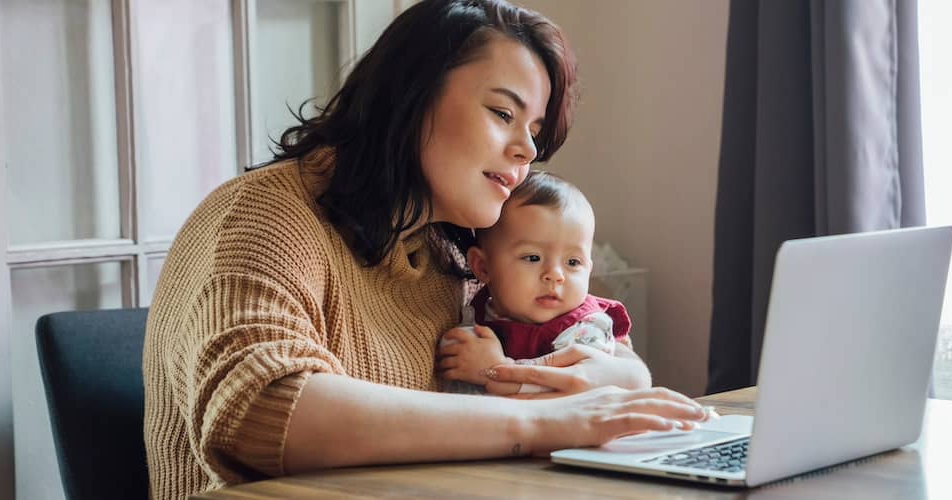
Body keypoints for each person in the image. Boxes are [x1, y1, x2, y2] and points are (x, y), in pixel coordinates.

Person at [142, 1, 710, 499]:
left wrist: (619, 380)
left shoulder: (445, 250)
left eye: (535, 127)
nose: (527, 149)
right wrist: (545, 422)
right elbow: (264, 410)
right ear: (410, 98)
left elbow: (610, 354)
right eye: (503, 113)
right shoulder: (263, 214)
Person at [438, 170, 632, 396]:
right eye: (533, 258)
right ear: (482, 267)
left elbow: (573, 390)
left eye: (572, 261)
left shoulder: (585, 329)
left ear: (588, 269)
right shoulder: (478, 314)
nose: (555, 275)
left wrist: (495, 370)